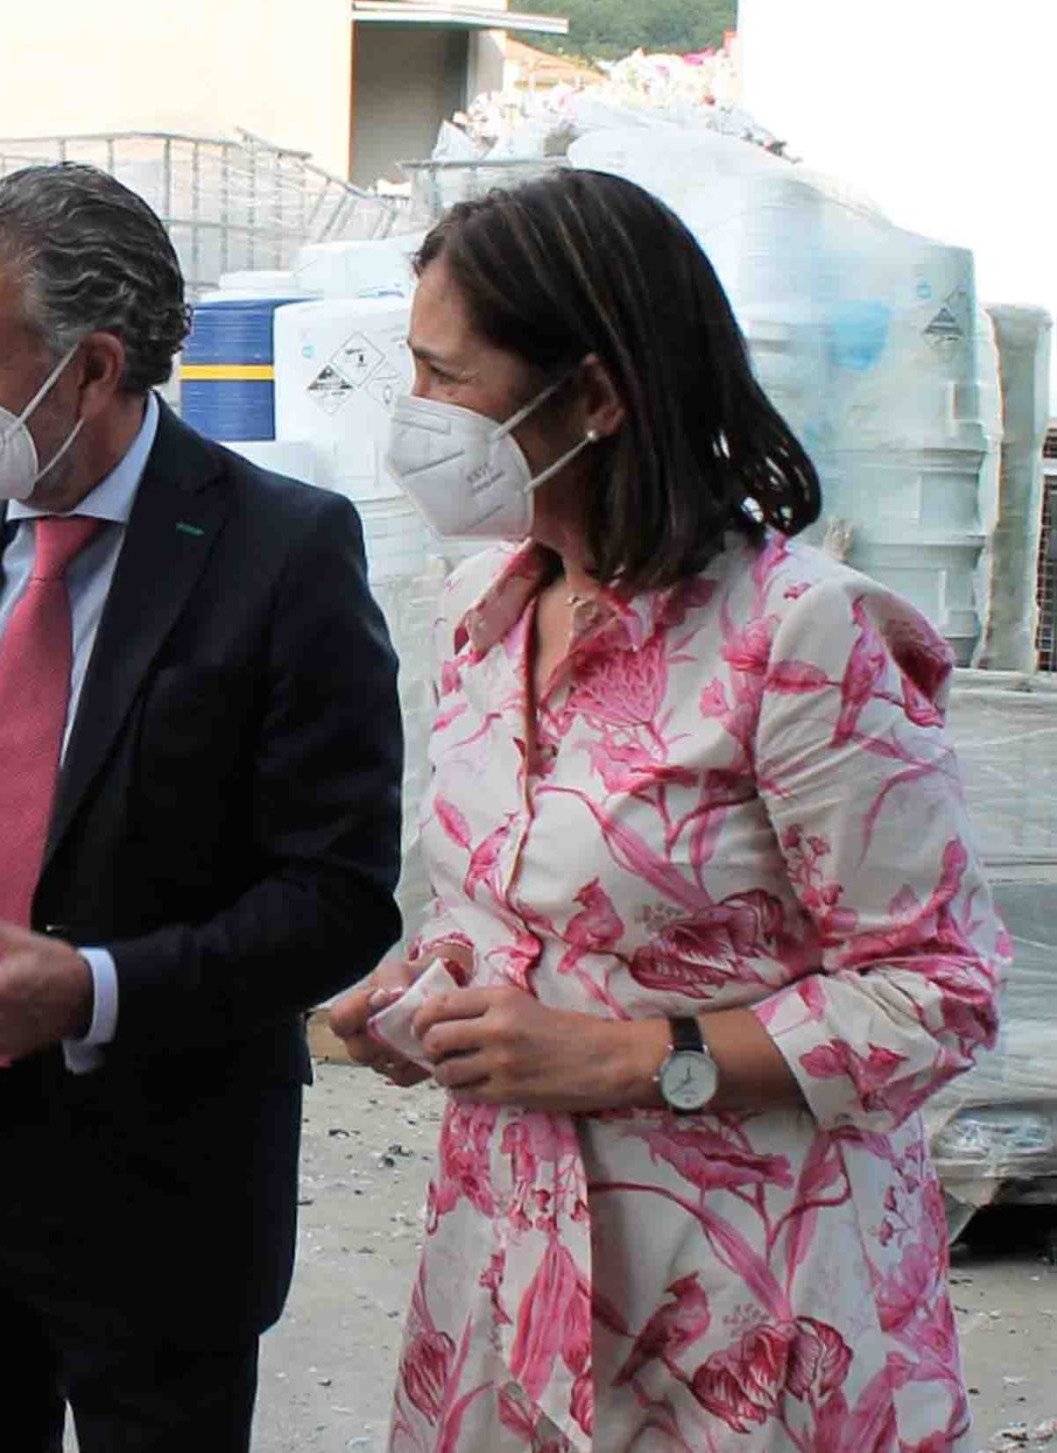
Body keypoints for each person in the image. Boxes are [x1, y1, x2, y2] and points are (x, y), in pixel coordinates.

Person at [325, 168, 1011, 1452]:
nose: (408, 417)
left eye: (443, 376)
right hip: (513, 1273)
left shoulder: (800, 636)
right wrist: (428, 992)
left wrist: (625, 1056)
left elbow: (938, 990)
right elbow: (533, 912)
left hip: (753, 1308)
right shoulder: (482, 611)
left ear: (591, 395)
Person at [0, 163, 406, 1453]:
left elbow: (337, 895)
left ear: (93, 370)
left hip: (159, 1187)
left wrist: (95, 988)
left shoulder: (279, 553)